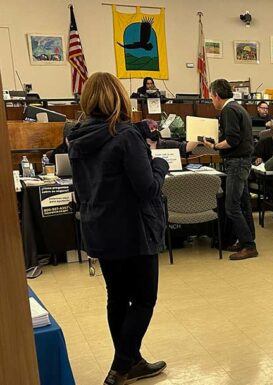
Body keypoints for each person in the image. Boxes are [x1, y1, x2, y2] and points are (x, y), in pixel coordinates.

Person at [67, 72, 167, 385]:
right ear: (120, 98)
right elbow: (147, 189)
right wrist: (160, 164)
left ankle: (131, 361)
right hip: (134, 231)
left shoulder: (76, 137)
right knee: (144, 299)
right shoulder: (125, 136)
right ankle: (121, 367)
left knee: (117, 297)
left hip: (99, 227)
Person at [203, 79, 257, 260]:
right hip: (243, 161)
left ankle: (249, 246)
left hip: (237, 162)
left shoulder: (228, 110)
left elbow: (232, 140)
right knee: (242, 204)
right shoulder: (239, 108)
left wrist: (215, 147)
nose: (212, 101)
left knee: (231, 206)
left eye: (211, 97)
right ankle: (245, 240)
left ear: (217, 95)